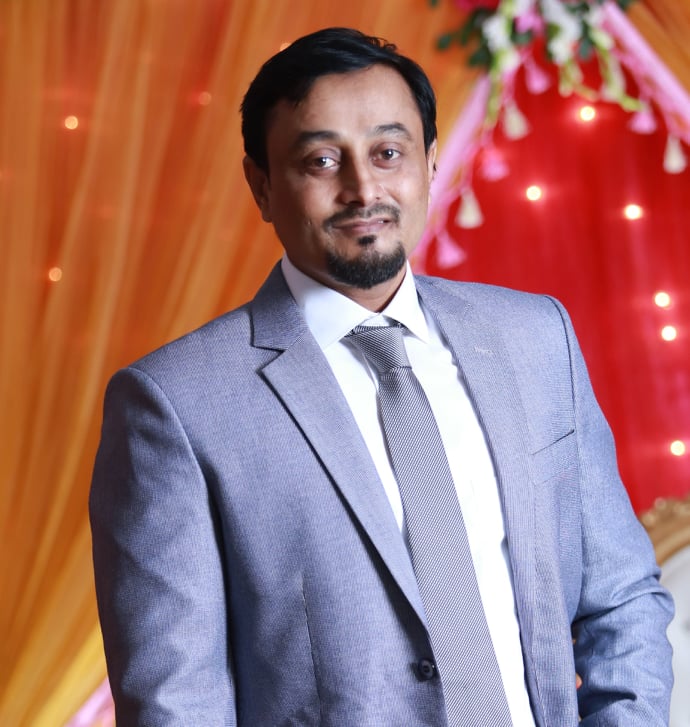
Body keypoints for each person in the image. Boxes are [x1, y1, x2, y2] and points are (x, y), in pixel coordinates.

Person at [89, 27, 674, 726]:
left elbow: (622, 597)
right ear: (262, 184)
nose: (363, 190)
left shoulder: (535, 337)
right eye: (321, 160)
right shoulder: (176, 404)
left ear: (430, 161)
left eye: (388, 153)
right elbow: (174, 702)